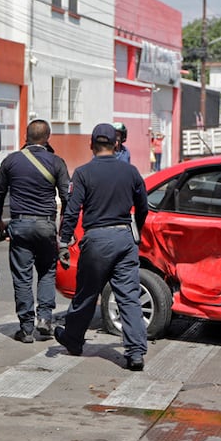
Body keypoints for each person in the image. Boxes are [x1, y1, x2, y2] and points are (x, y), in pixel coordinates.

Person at [54, 123, 148, 371]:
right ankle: (136, 352)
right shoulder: (131, 172)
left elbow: (72, 211)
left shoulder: (83, 173)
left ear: (91, 145)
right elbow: (143, 206)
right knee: (129, 297)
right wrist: (137, 229)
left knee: (86, 294)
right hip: (124, 238)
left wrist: (64, 241)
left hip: (96, 240)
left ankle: (73, 341)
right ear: (117, 144)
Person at [0, 119, 69, 343]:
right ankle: (44, 319)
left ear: (26, 136)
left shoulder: (11, 161)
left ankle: (26, 329)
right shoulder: (56, 162)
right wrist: (65, 231)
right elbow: (67, 198)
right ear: (48, 137)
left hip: (20, 225)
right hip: (45, 226)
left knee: (22, 276)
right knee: (46, 272)